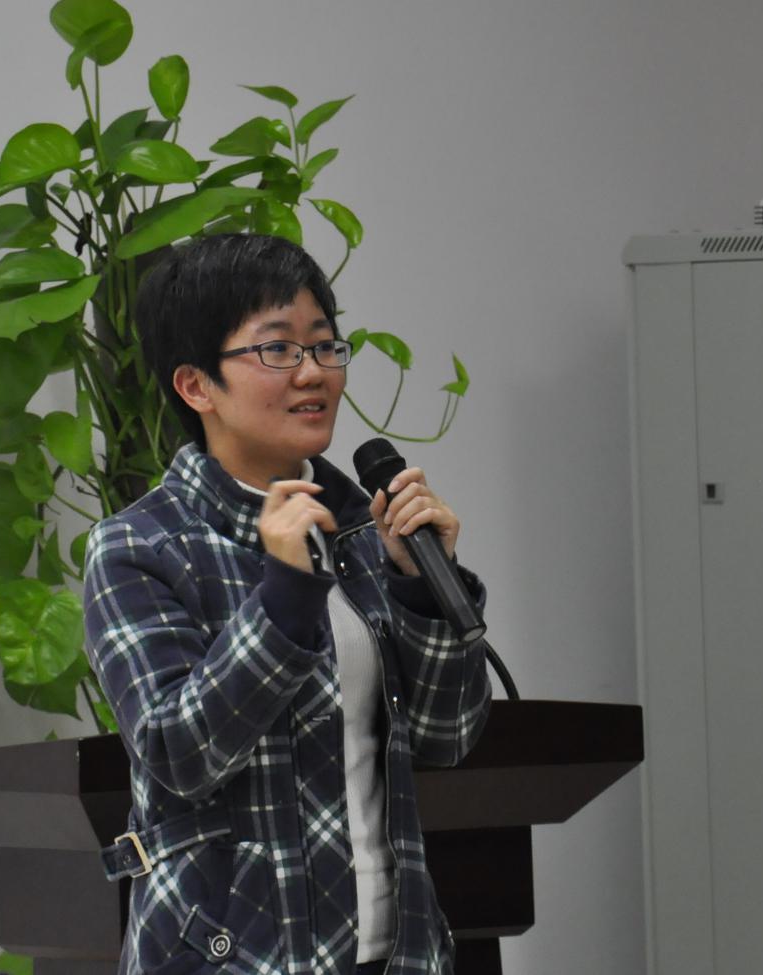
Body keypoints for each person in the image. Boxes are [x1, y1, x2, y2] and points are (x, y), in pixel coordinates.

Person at [83, 233, 492, 975]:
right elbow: (180, 754)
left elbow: (448, 737)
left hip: (396, 953)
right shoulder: (139, 546)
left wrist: (419, 588)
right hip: (229, 957)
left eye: (325, 345)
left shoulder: (364, 531)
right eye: (277, 349)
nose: (313, 372)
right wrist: (283, 596)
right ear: (196, 385)